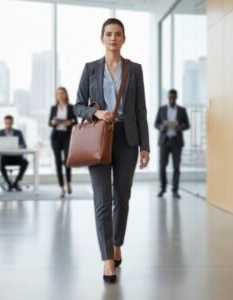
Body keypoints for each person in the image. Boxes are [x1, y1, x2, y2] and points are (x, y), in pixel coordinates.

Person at [74, 18, 150, 283]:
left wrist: (145, 147)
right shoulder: (91, 69)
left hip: (127, 140)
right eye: (109, 34)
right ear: (102, 38)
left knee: (122, 197)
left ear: (124, 39)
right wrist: (96, 111)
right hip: (98, 138)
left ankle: (117, 241)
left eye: (118, 34)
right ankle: (108, 258)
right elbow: (77, 107)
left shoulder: (134, 70)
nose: (113, 38)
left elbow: (140, 110)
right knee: (102, 201)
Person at [154, 89, 190, 199]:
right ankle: (163, 188)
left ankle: (175, 190)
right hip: (164, 142)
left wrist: (180, 127)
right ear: (168, 97)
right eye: (170, 97)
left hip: (176, 142)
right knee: (162, 166)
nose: (172, 99)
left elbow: (187, 125)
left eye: (173, 98)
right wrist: (161, 127)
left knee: (176, 167)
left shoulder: (182, 110)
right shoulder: (162, 109)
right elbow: (156, 124)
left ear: (176, 97)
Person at [49, 87, 78, 198]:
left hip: (67, 136)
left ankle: (69, 183)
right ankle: (62, 187)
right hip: (56, 137)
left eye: (62, 93)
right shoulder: (53, 108)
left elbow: (76, 121)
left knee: (67, 161)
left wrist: (70, 122)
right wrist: (53, 122)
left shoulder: (71, 107)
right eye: (58, 93)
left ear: (66, 94)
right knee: (57, 162)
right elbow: (49, 122)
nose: (60, 95)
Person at [0, 115, 28, 192]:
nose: (8, 125)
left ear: (12, 123)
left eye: (10, 123)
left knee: (25, 162)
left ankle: (16, 182)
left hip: (16, 157)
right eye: (6, 123)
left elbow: (24, 145)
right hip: (5, 158)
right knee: (0, 163)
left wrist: (18, 146)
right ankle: (9, 183)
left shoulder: (18, 132)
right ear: (4, 123)